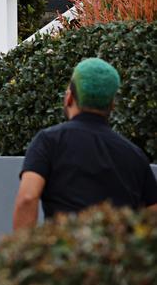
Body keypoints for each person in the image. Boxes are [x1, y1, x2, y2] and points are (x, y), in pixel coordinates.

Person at [13, 58, 157, 230]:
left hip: (65, 252)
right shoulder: (135, 155)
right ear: (112, 104)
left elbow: (28, 198)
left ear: (69, 98)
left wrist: (24, 253)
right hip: (118, 254)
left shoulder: (49, 141)